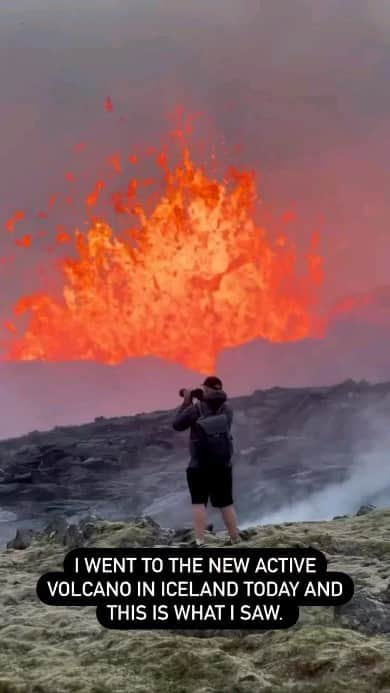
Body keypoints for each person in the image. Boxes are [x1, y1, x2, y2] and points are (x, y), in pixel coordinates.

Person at [172, 375, 240, 547]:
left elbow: (177, 424)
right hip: (222, 464)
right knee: (226, 503)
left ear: (207, 389)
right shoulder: (227, 409)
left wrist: (187, 401)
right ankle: (235, 538)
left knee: (198, 502)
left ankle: (200, 540)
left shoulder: (197, 408)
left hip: (199, 464)